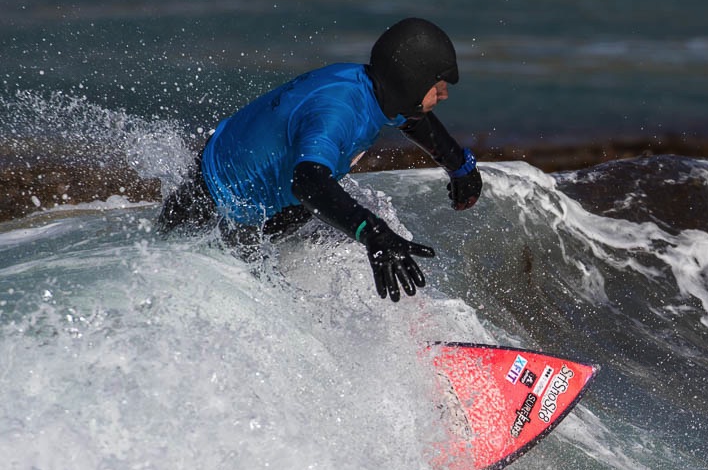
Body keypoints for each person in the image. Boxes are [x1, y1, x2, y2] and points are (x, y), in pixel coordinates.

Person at [157, 17, 483, 301]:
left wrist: (460, 167)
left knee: (339, 245)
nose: (444, 95)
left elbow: (414, 121)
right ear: (410, 81)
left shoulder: (372, 88)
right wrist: (374, 233)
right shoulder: (338, 111)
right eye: (437, 86)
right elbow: (308, 181)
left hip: (268, 202)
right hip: (216, 214)